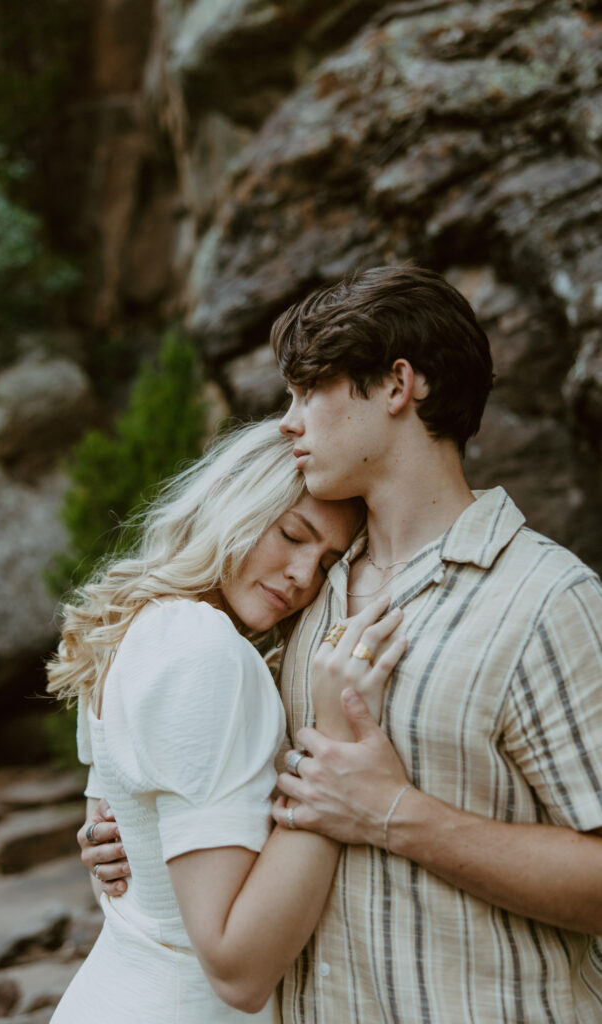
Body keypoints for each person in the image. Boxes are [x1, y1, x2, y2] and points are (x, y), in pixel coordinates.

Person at [82, 266, 602, 1022]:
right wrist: (129, 822)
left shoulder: (547, 601)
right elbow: (205, 768)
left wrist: (396, 812)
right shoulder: (296, 598)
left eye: (307, 393)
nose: (288, 421)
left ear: (397, 386)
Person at [46, 419, 406, 1023]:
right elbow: (238, 969)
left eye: (326, 564)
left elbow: (111, 838)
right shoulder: (202, 647)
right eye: (293, 535)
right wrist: (334, 748)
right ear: (233, 502)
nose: (302, 577)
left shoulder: (136, 624)